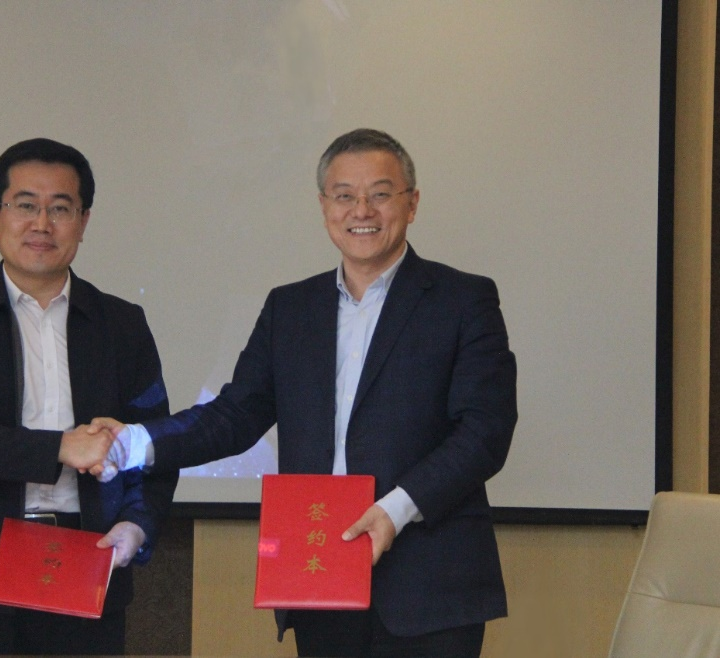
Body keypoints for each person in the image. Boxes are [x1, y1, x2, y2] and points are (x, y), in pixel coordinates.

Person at [94, 128, 517, 657]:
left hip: (431, 582)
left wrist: (395, 510)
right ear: (324, 207)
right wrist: (133, 442)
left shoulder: (463, 300)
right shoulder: (290, 308)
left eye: (380, 194)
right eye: (344, 195)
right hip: (319, 573)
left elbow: (484, 432)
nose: (361, 210)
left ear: (411, 203)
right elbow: (234, 415)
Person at [0, 138, 177, 656]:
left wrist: (137, 524)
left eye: (60, 209)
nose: (41, 224)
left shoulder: (122, 324)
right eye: (25, 205)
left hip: (89, 565)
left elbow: (153, 444)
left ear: (83, 221)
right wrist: (59, 447)